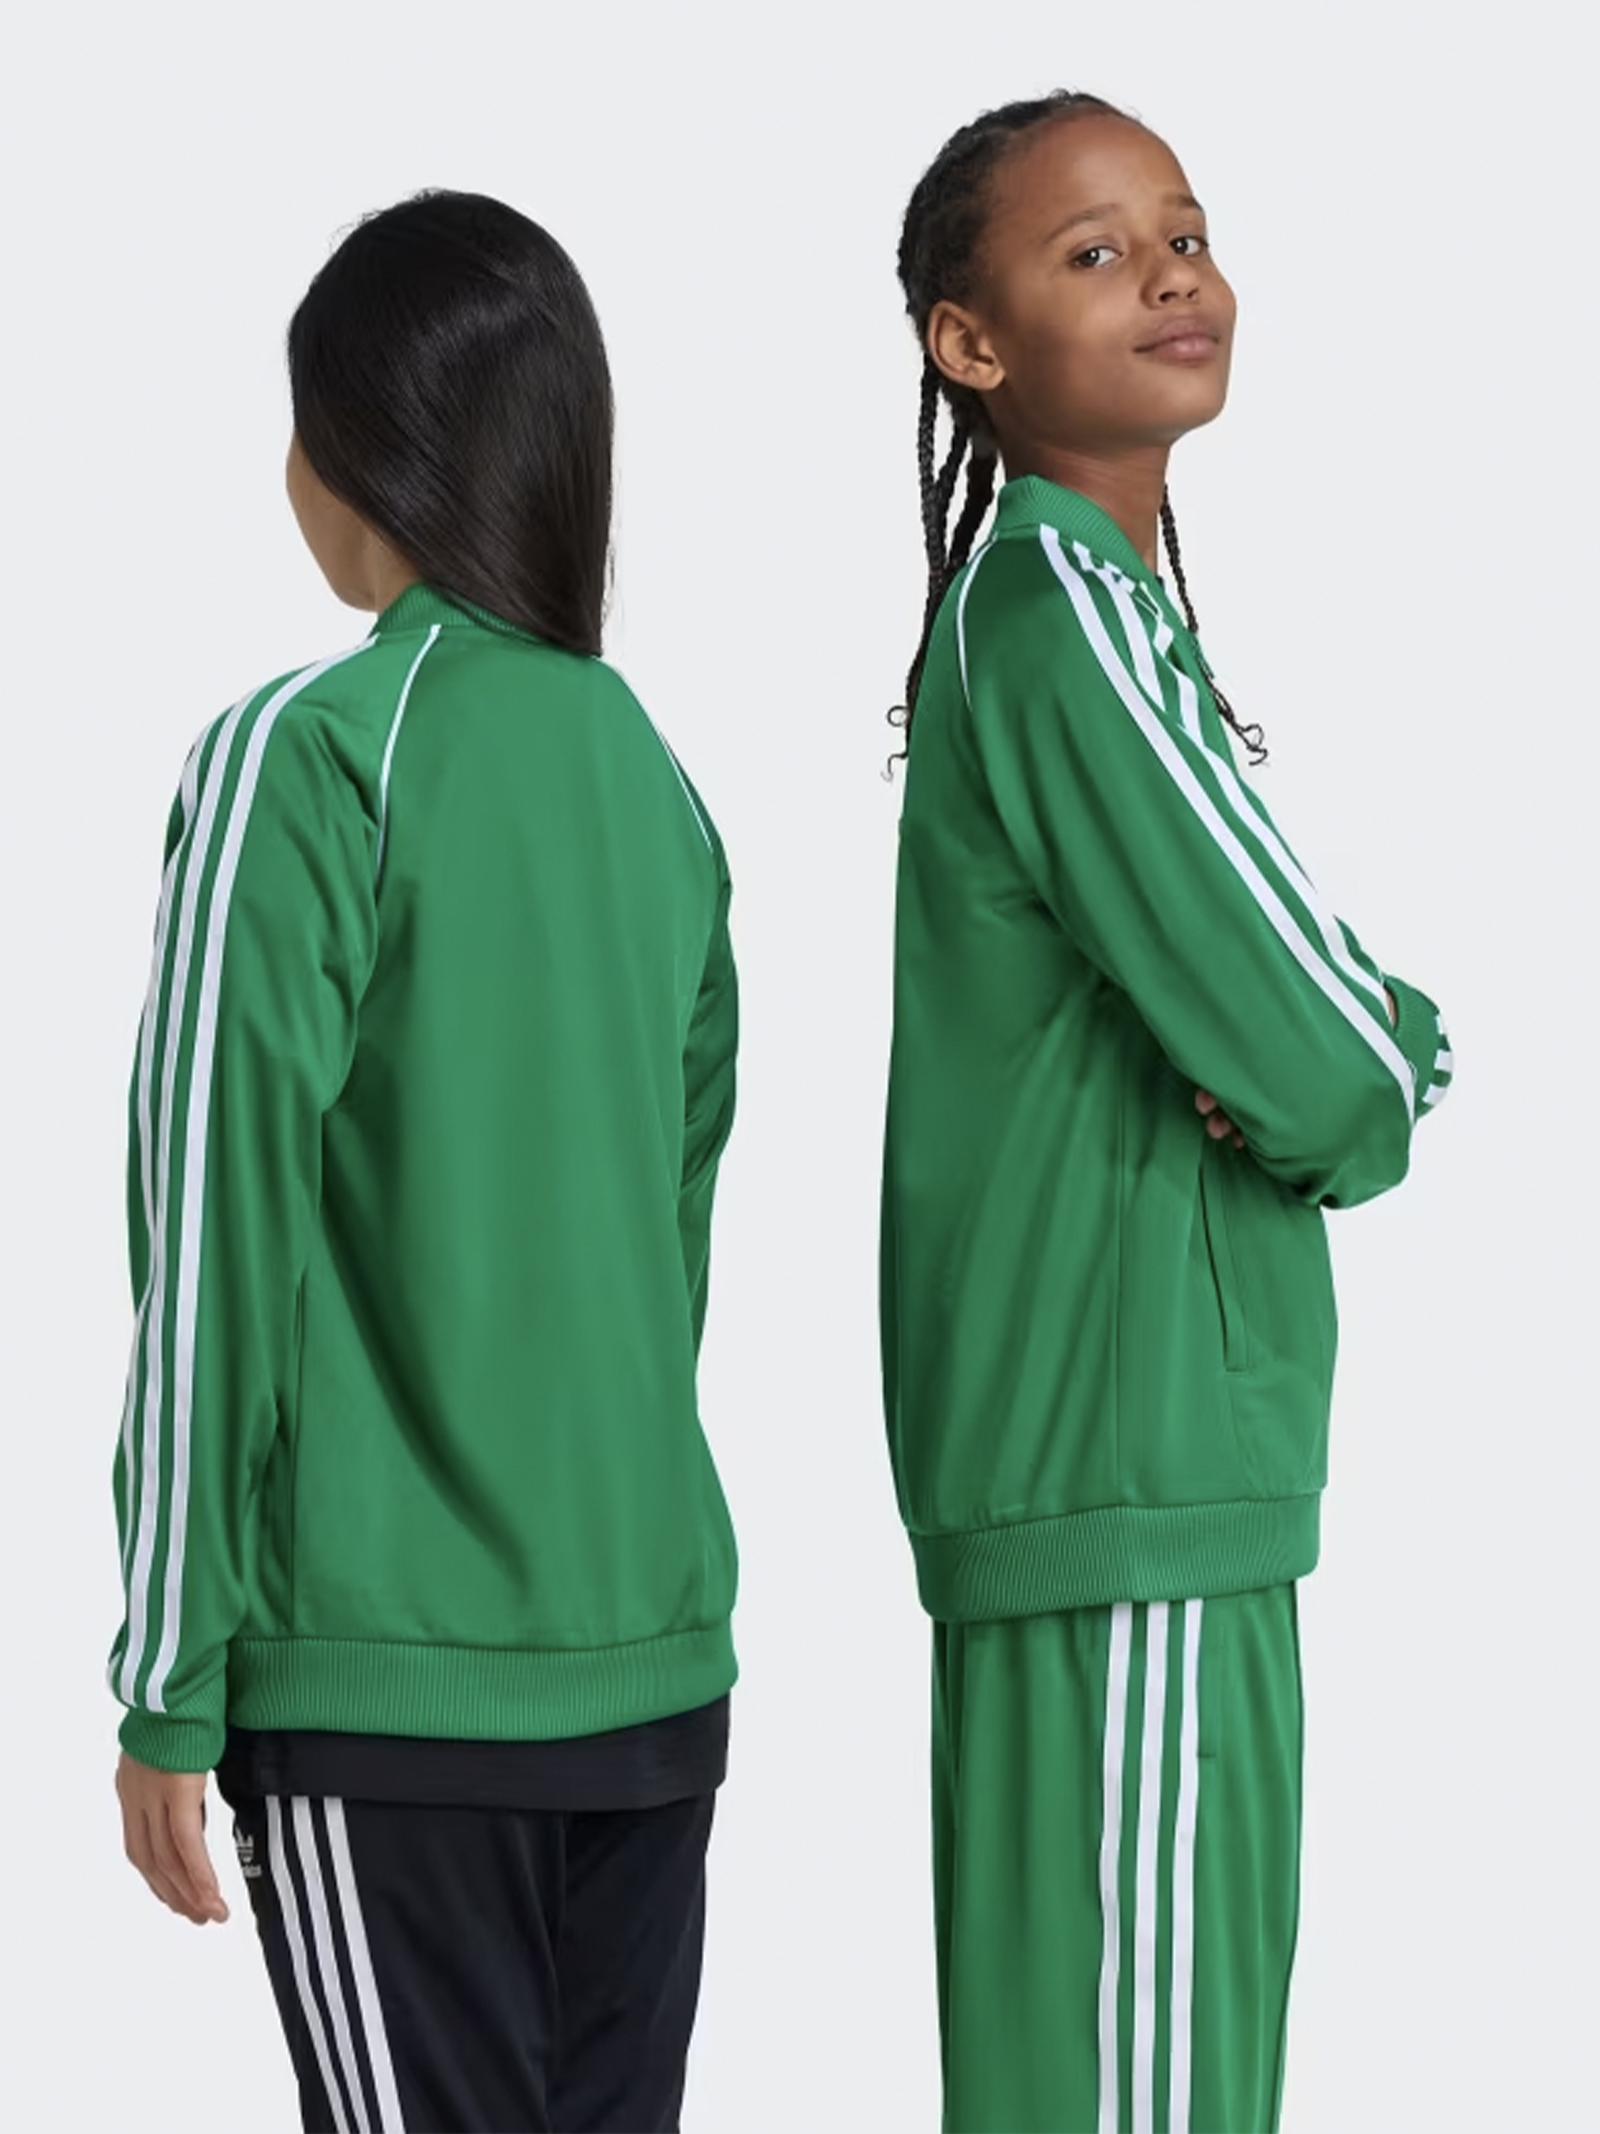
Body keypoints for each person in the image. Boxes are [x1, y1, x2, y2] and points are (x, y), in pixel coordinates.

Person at [108, 191, 739, 2134]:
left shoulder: (303, 756)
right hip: (652, 1683)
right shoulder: (655, 781)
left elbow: (214, 1235)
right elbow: (673, 1237)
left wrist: (168, 1672)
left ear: (351, 453)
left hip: (392, 1694)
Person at [880, 93, 1452, 2133]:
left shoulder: (1084, 619)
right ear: (970, 343)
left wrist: (1329, 1036)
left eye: (1184, 235)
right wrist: (1381, 1061)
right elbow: (1332, 1053)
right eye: (1094, 252)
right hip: (1123, 1473)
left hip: (1116, 1471)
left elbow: (1286, 1013)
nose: (1168, 278)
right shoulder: (1062, 617)